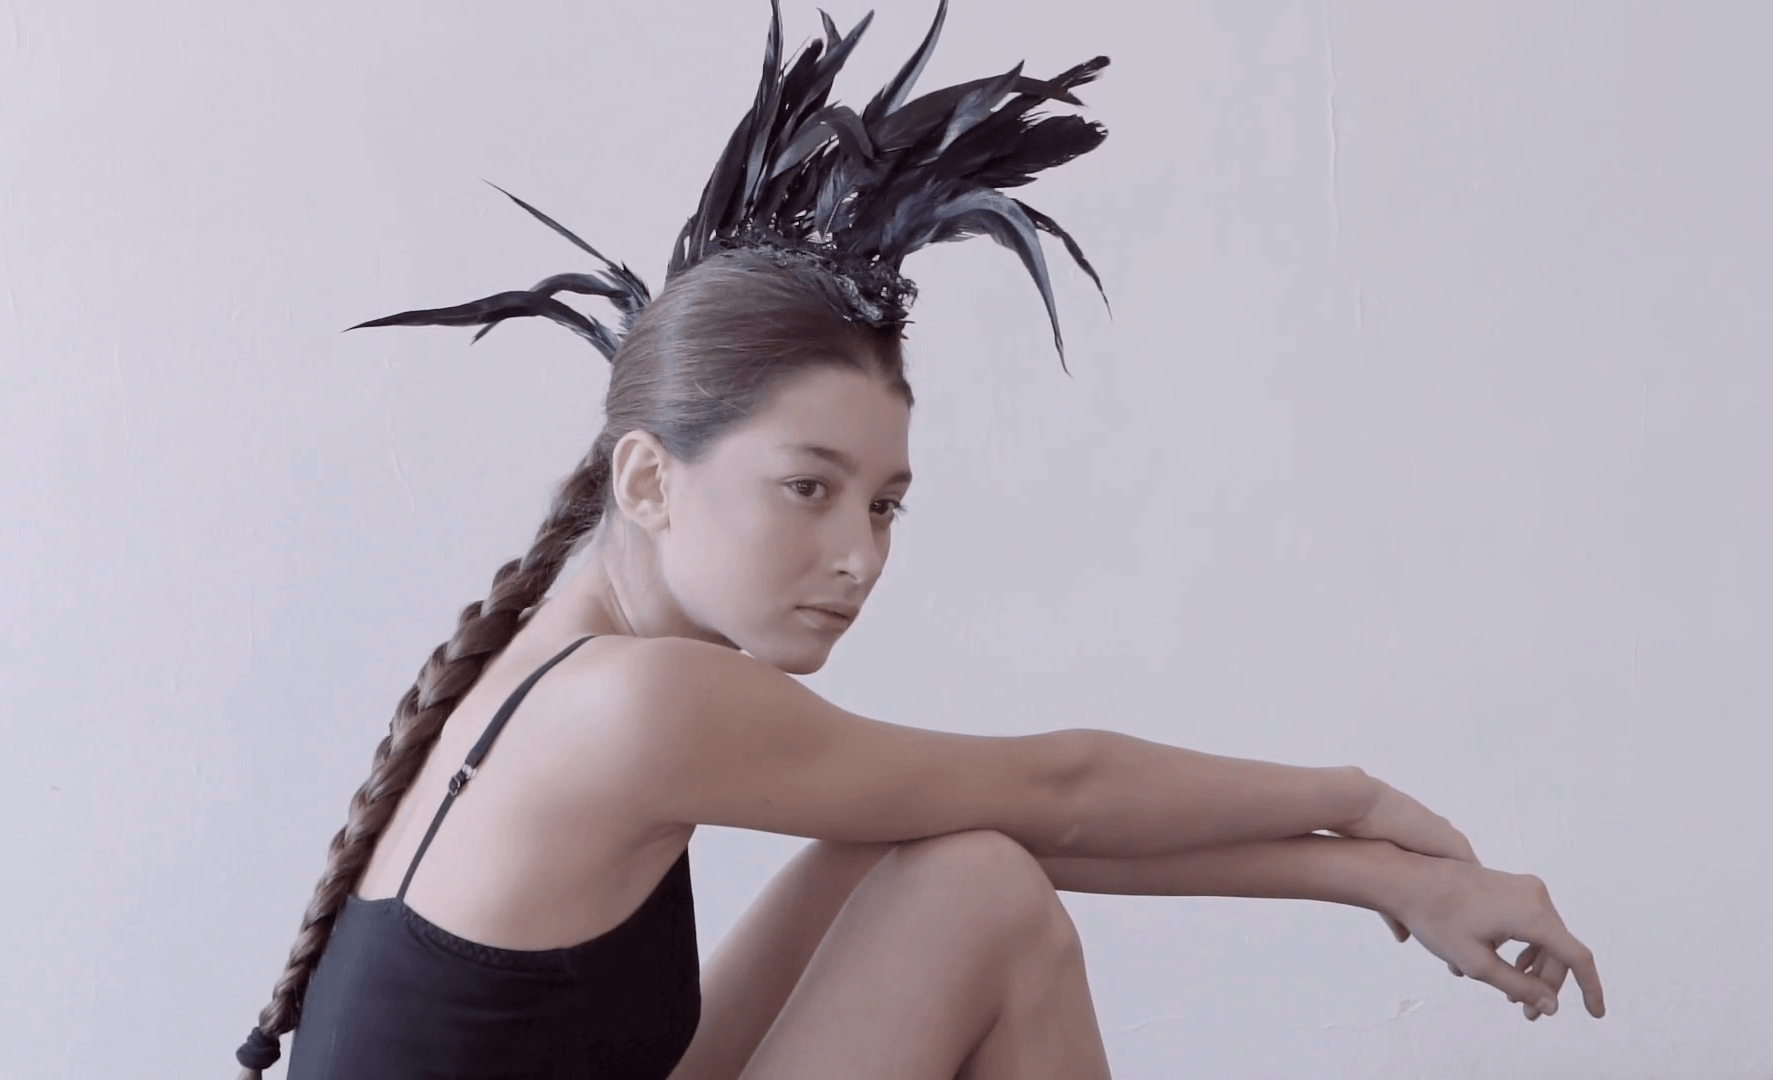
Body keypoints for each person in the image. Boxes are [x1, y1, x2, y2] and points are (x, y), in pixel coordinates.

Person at [233, 3, 1605, 1076]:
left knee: (913, 857)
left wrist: (1376, 883)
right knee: (980, 896)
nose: (860, 556)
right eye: (807, 487)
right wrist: (1363, 805)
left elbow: (1023, 815)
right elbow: (1063, 787)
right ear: (648, 478)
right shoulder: (638, 702)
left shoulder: (559, 666)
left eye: (885, 503)